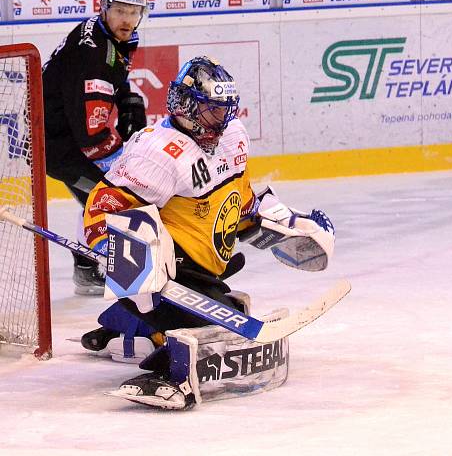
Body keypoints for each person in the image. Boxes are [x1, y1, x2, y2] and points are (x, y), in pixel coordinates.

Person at [78, 56, 334, 407]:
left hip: (205, 268)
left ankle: (125, 329)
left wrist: (284, 224)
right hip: (169, 276)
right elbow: (100, 210)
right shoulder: (156, 152)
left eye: (226, 110)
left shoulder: (233, 136)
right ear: (186, 106)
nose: (223, 120)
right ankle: (156, 348)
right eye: (213, 111)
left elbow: (239, 201)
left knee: (229, 318)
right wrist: (128, 253)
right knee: (222, 331)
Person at [42, 0, 149, 295]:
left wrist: (127, 97)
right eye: (120, 10)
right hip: (57, 146)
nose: (128, 19)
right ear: (103, 5)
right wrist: (128, 162)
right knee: (107, 194)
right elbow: (91, 137)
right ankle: (88, 267)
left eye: (134, 11)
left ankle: (89, 266)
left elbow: (113, 74)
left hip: (62, 131)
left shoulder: (108, 34)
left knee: (106, 191)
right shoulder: (94, 56)